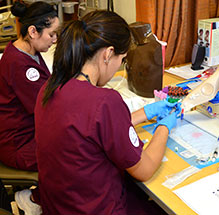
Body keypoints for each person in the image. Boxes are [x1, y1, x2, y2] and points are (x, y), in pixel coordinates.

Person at [34, 10, 181, 215]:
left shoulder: (50, 87)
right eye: (122, 60)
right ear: (108, 53)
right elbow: (145, 170)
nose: (119, 67)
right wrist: (164, 128)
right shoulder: (104, 102)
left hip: (60, 206)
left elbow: (91, 128)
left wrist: (145, 113)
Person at [0, 1, 59, 214]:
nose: (54, 40)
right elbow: (48, 108)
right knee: (74, 150)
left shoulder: (26, 52)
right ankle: (33, 199)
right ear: (33, 31)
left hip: (27, 133)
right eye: (51, 34)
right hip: (18, 143)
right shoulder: (19, 64)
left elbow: (48, 89)